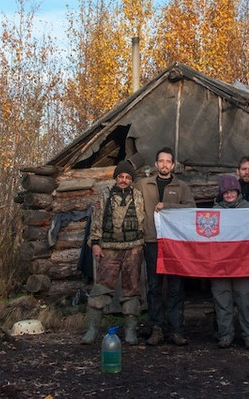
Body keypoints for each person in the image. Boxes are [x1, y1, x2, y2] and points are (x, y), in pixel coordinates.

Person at [82, 159, 145, 346]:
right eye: (120, 176)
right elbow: (97, 220)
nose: (124, 180)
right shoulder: (105, 195)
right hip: (109, 248)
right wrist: (95, 243)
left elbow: (144, 220)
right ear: (116, 178)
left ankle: (131, 331)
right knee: (101, 288)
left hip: (133, 248)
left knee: (132, 289)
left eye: (127, 177)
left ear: (131, 179)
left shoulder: (139, 196)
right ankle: (92, 329)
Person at [139, 147, 197, 346]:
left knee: (175, 287)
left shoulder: (181, 187)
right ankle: (156, 328)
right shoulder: (144, 185)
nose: (164, 165)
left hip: (174, 244)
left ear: (173, 165)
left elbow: (191, 209)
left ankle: (176, 330)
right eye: (161, 161)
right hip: (152, 241)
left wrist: (168, 206)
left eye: (168, 161)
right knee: (154, 287)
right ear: (156, 164)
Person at [210, 175, 249, 349]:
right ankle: (225, 334)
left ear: (237, 191)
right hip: (220, 264)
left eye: (232, 191)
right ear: (221, 194)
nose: (229, 194)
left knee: (245, 300)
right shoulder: (214, 212)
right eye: (225, 192)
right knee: (222, 300)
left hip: (243, 264)